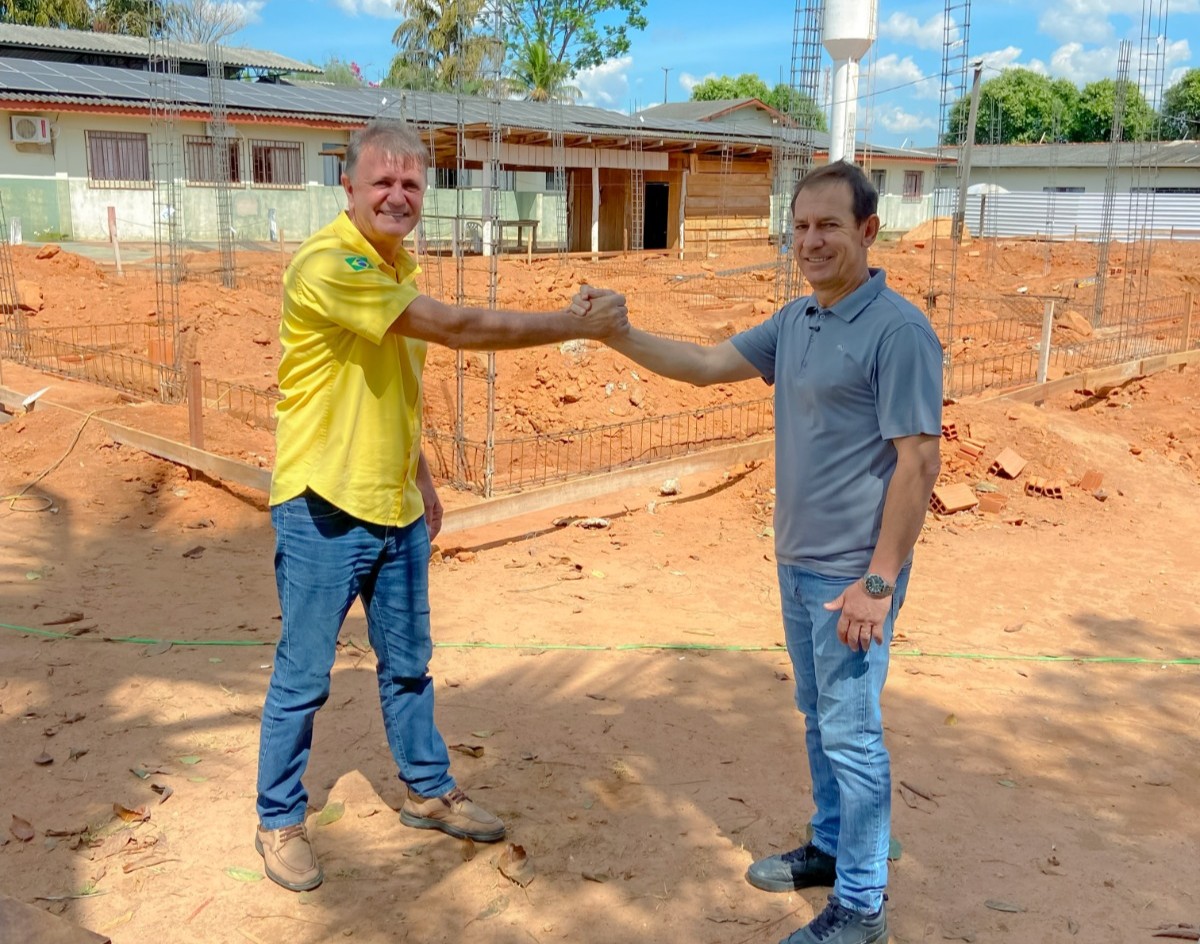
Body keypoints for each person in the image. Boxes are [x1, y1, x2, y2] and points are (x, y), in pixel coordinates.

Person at [255, 120, 629, 893]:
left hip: (392, 504)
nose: (398, 195)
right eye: (382, 182)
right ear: (348, 187)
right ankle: (279, 819)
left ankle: (426, 791)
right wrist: (574, 327)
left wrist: (421, 479)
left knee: (409, 665)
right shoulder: (329, 263)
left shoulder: (397, 266)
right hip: (324, 505)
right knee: (304, 675)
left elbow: (392, 388)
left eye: (411, 184)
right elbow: (455, 328)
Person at [594, 160, 942, 944]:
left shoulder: (898, 332)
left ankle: (863, 905)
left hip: (853, 572)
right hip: (798, 561)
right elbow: (706, 365)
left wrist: (879, 582)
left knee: (852, 732)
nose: (811, 241)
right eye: (801, 227)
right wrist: (617, 335)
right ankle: (832, 843)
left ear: (868, 231)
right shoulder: (797, 321)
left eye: (829, 226)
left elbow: (919, 462)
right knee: (818, 717)